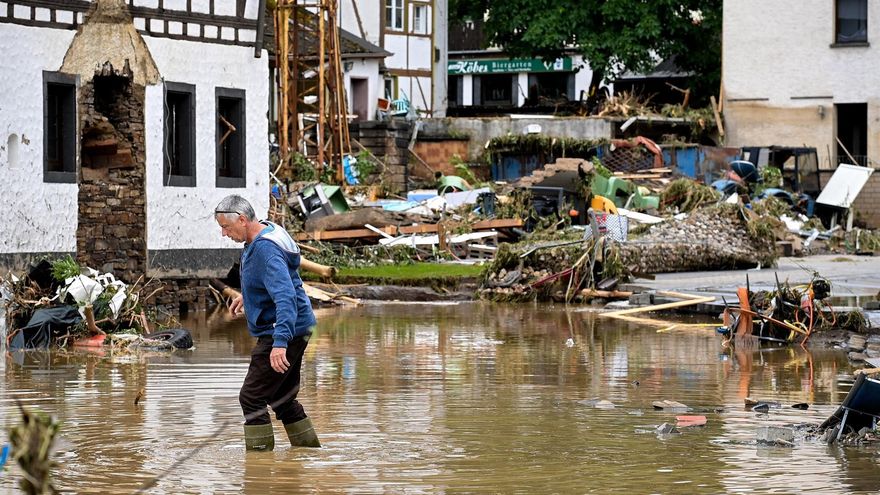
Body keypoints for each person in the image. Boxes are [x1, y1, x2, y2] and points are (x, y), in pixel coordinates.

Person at [214, 194, 320, 451]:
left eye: (225, 227)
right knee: (282, 399)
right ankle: (308, 454)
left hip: (284, 330)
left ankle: (259, 467)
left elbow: (285, 297)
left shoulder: (265, 249)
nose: (224, 234)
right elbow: (274, 282)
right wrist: (248, 298)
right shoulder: (263, 232)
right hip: (298, 326)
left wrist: (280, 343)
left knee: (251, 398)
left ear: (242, 219)